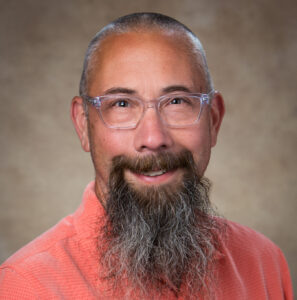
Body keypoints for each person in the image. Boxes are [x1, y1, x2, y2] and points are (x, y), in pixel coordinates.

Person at [0, 12, 293, 300]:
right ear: (83, 125)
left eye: (177, 101)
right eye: (123, 104)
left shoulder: (264, 263)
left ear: (213, 120)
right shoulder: (24, 287)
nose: (153, 139)